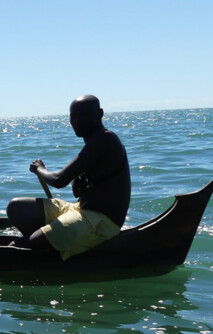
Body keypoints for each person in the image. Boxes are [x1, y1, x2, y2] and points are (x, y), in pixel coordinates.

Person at [7, 95, 131, 260]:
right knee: (16, 207)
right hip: (79, 211)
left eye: (84, 115)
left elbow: (59, 180)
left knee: (19, 247)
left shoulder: (105, 139)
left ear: (100, 114)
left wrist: (39, 169)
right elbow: (76, 191)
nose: (77, 121)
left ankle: (41, 245)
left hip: (100, 224)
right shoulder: (93, 143)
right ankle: (52, 246)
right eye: (73, 116)